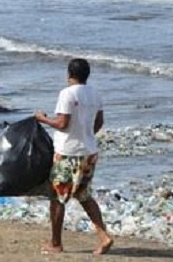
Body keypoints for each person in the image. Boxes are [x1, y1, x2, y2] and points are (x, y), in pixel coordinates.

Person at [34, 58, 113, 256]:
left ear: (69, 74)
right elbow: (99, 121)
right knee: (84, 195)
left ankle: (56, 243)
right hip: (89, 152)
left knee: (57, 197)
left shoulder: (67, 94)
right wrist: (86, 134)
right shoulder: (95, 93)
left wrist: (42, 119)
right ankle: (103, 236)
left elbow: (62, 124)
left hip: (68, 153)